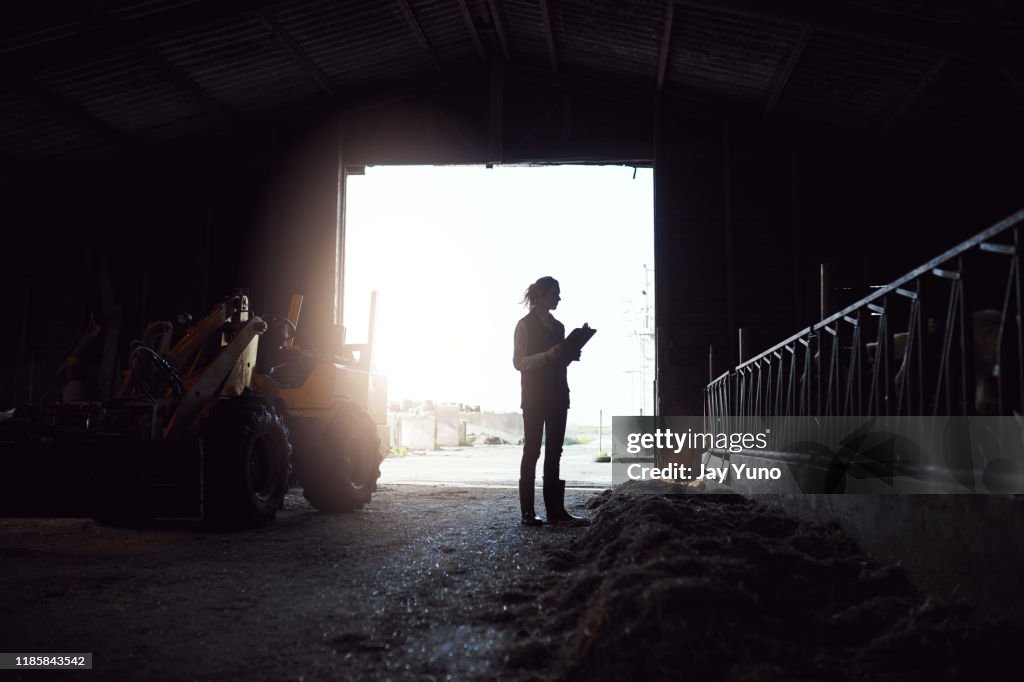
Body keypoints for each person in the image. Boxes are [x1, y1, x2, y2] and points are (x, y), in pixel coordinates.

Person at [513, 276, 587, 526]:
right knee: (532, 450)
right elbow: (519, 363)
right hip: (534, 396)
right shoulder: (524, 325)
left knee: (555, 452)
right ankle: (527, 513)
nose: (558, 298)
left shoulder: (559, 327)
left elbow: (560, 360)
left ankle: (555, 511)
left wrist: (569, 354)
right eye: (555, 293)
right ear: (542, 295)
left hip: (558, 394)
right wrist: (549, 355)